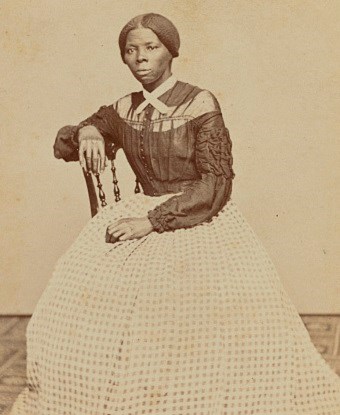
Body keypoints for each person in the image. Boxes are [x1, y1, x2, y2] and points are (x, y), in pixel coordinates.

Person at [10, 12, 340, 415]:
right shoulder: (122, 108)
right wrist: (89, 131)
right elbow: (67, 144)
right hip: (138, 213)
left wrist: (151, 221)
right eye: (130, 50)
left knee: (190, 324)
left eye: (151, 48)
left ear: (171, 51)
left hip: (196, 217)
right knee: (64, 318)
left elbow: (216, 182)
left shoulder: (199, 102)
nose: (140, 59)